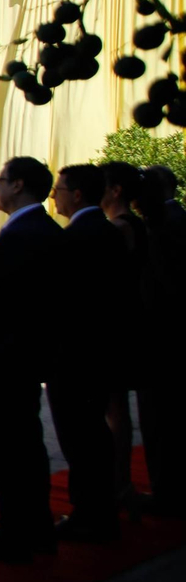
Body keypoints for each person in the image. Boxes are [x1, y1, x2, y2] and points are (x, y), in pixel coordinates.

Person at [0, 157, 62, 563]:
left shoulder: (22, 236)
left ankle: (16, 532)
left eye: (0, 182)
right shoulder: (45, 231)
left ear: (18, 185)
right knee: (25, 443)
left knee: (9, 446)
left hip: (5, 356)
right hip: (23, 355)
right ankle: (34, 527)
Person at [47, 164, 124, 542]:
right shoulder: (107, 232)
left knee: (81, 436)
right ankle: (99, 508)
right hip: (100, 351)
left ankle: (90, 512)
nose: (55, 196)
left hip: (76, 355)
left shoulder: (77, 237)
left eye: (59, 189)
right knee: (93, 433)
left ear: (76, 194)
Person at [100, 161, 149, 513]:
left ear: (115, 190)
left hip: (114, 327)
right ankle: (119, 482)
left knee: (114, 410)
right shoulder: (136, 226)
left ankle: (118, 483)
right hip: (127, 323)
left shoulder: (120, 228)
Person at [137, 165, 186, 515]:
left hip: (160, 339)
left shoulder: (159, 228)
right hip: (172, 337)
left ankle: (167, 493)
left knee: (161, 420)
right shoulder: (178, 220)